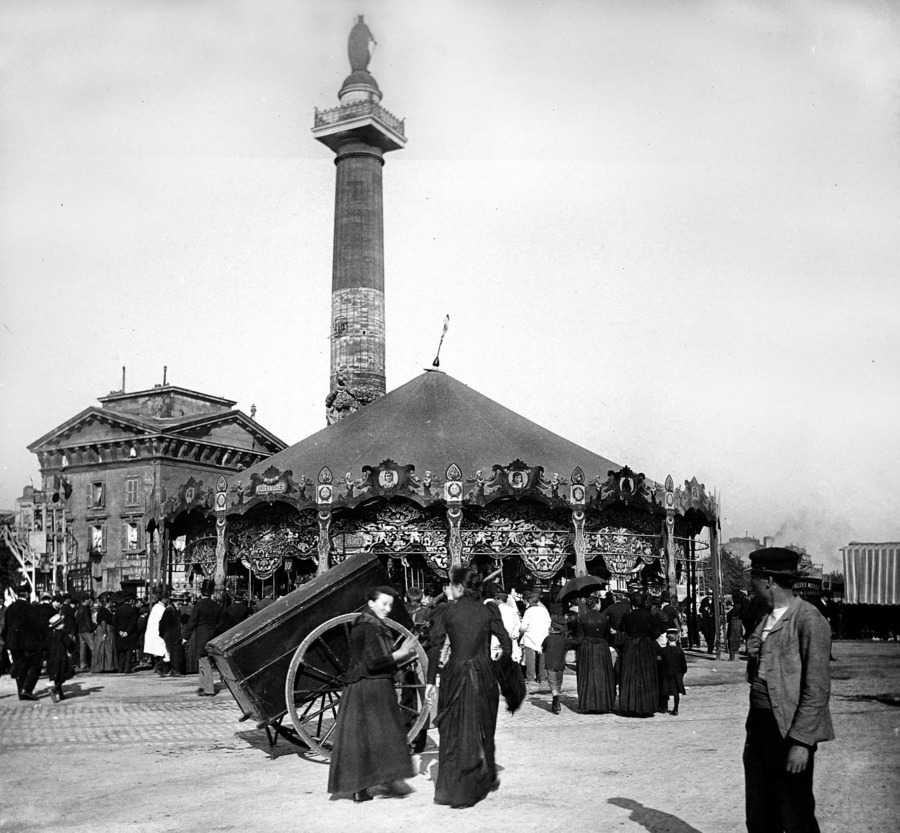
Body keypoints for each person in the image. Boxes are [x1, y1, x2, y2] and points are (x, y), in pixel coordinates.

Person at [743, 547, 834, 833]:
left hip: (789, 730)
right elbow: (761, 678)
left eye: (753, 578)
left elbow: (817, 688)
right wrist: (753, 656)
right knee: (760, 813)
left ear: (768, 580)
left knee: (795, 815)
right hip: (758, 725)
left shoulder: (808, 619)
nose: (751, 584)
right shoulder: (763, 619)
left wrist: (802, 742)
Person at [425, 566, 512, 809]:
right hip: (483, 673)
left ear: (460, 588)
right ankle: (477, 782)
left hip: (454, 674)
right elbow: (505, 641)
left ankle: (448, 791)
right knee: (481, 725)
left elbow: (435, 648)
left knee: (452, 730)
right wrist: (496, 665)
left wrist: (431, 681)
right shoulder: (488, 611)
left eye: (450, 585)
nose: (448, 589)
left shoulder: (446, 611)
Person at [327, 586, 417, 803]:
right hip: (373, 687)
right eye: (383, 604)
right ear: (371, 603)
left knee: (362, 737)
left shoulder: (366, 623)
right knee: (386, 734)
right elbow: (373, 662)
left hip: (360, 687)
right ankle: (386, 781)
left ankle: (361, 788)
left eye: (390, 605)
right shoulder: (370, 627)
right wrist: (401, 654)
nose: (387, 609)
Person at [617, 592, 663, 717]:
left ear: (632, 604)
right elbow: (657, 632)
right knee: (646, 675)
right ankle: (646, 706)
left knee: (631, 675)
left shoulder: (627, 616)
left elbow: (621, 630)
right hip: (646, 648)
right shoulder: (650, 616)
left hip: (631, 647)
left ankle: (630, 706)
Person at [575, 593, 616, 714]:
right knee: (602, 675)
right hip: (601, 647)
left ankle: (588, 702)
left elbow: (580, 635)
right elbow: (607, 635)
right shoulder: (603, 618)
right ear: (597, 604)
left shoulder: (583, 618)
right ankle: (603, 702)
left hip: (587, 648)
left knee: (588, 675)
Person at [2, 585, 45, 700]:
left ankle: (21, 692)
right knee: (36, 664)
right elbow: (36, 626)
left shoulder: (10, 608)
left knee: (19, 667)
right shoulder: (29, 608)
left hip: (13, 643)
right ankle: (27, 689)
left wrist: (8, 641)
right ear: (27, 594)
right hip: (27, 643)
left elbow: (5, 626)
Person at [182, 580, 222, 696]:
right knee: (203, 661)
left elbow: (192, 622)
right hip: (214, 635)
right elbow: (221, 622)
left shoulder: (198, 606)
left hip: (202, 636)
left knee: (204, 662)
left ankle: (208, 689)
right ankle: (202, 685)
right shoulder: (217, 607)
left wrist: (186, 637)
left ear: (201, 592)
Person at [519, 591, 550, 687]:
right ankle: (542, 678)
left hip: (530, 637)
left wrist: (520, 634)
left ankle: (530, 678)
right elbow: (549, 623)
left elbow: (523, 627)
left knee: (530, 660)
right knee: (542, 660)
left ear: (530, 601)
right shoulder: (544, 610)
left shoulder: (528, 611)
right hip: (543, 637)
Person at [541, 613, 570, 714]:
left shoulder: (548, 639)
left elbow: (543, 648)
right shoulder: (564, 639)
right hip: (561, 665)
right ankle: (555, 701)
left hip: (550, 665)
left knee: (552, 684)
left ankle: (556, 700)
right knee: (558, 684)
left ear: (552, 629)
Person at [46, 613, 75, 702]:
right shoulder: (62, 633)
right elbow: (69, 644)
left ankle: (61, 694)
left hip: (51, 657)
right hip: (60, 656)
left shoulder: (49, 634)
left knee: (55, 676)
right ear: (59, 624)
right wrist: (71, 649)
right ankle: (54, 689)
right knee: (63, 675)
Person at [658, 628, 687, 716]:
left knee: (664, 690)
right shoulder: (680, 651)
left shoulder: (663, 651)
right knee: (676, 692)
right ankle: (675, 709)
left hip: (666, 674)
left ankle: (663, 708)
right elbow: (684, 665)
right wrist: (681, 673)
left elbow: (660, 663)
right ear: (677, 638)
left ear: (667, 638)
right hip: (677, 674)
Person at [159, 593, 185, 676]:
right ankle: (160, 667)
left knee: (175, 654)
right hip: (171, 635)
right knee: (172, 653)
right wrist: (164, 634)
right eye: (181, 600)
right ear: (177, 600)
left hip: (175, 635)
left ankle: (174, 670)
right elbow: (163, 623)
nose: (182, 601)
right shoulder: (169, 610)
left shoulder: (176, 609)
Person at [113, 594, 139, 674]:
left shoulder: (118, 609)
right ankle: (127, 668)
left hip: (120, 633)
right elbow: (133, 623)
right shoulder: (133, 610)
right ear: (130, 601)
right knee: (129, 651)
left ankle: (120, 668)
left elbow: (115, 622)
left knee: (121, 652)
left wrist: (119, 631)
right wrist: (127, 632)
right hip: (129, 634)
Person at [143, 595, 169, 674]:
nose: (167, 601)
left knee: (158, 651)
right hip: (159, 633)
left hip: (154, 633)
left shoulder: (155, 607)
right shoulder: (162, 609)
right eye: (166, 599)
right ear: (163, 599)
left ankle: (158, 666)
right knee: (164, 651)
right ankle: (159, 667)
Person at [91, 597, 117, 672]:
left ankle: (102, 666)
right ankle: (107, 667)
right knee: (106, 648)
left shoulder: (102, 610)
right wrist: (105, 633)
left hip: (102, 629)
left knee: (101, 648)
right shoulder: (104, 611)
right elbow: (103, 621)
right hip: (105, 629)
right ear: (107, 603)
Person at [74, 595, 95, 671]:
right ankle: (94, 664)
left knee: (82, 649)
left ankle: (82, 664)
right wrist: (91, 630)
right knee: (93, 647)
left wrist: (76, 631)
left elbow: (76, 621)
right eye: (89, 600)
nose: (90, 601)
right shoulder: (86, 609)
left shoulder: (79, 609)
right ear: (85, 600)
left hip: (80, 631)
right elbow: (87, 620)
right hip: (87, 631)